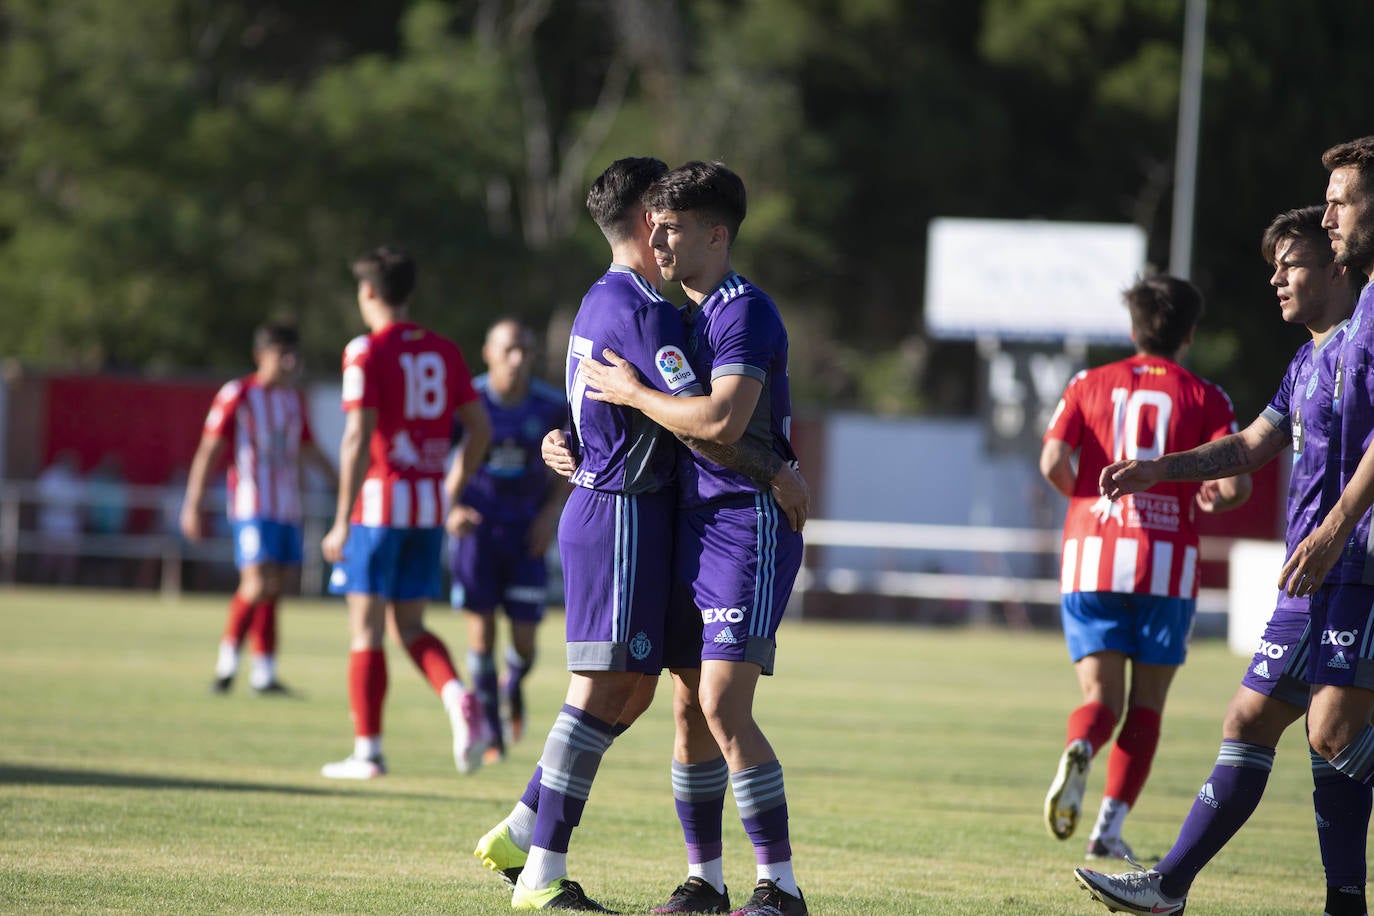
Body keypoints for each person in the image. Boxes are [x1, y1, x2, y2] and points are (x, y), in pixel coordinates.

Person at [1075, 206, 1371, 916]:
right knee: (1252, 721)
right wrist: (1161, 468)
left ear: (1337, 266)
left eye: (1291, 263)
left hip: (1356, 566)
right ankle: (1177, 888)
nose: (1276, 278)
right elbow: (1247, 446)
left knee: (1330, 733)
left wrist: (1335, 530)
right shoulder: (1306, 360)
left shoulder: (1365, 340)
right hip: (1310, 579)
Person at [577, 160, 811, 916]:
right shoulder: (671, 312)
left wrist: (637, 395)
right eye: (655, 223)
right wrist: (569, 441)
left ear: (717, 233)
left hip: (746, 524)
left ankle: (780, 886)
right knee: (686, 709)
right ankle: (705, 882)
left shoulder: (745, 312)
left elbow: (717, 425)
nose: (658, 236)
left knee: (721, 704)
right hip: (688, 521)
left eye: (673, 227)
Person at [1038, 274, 1251, 861]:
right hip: (1166, 563)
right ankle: (1107, 829)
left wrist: (1087, 502)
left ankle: (1082, 743)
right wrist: (1215, 496)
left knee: (1100, 700)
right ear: (1188, 334)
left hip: (1091, 559)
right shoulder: (1207, 397)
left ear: (1134, 328)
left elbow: (1053, 459)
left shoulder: (1088, 382)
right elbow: (1235, 481)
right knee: (1147, 706)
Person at [319, 245, 494, 779]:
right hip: (425, 511)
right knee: (411, 626)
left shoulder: (364, 351)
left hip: (378, 508)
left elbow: (357, 435)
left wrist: (340, 516)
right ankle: (459, 697)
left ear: (368, 292)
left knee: (366, 632)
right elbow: (480, 430)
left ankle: (368, 751)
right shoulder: (443, 350)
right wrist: (449, 487)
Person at [182, 322, 336, 695]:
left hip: (286, 507)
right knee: (255, 583)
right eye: (282, 353)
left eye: (294, 354)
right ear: (260, 355)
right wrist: (193, 502)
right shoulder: (238, 394)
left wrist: (341, 482)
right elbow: (210, 448)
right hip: (252, 504)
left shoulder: (291, 400)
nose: (290, 361)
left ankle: (264, 674)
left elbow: (308, 447)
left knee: (275, 587)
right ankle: (226, 667)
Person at [448, 317, 569, 764]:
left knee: (524, 643)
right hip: (479, 533)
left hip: (527, 536)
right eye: (508, 350)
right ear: (488, 353)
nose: (518, 359)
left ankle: (512, 686)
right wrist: (453, 507)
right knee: (480, 636)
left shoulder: (552, 406)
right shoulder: (469, 402)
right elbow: (444, 461)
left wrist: (548, 517)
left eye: (526, 351)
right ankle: (493, 731)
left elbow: (568, 468)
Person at [33, 449, 84, 585]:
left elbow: (81, 504)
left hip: (69, 527)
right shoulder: (50, 477)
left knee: (68, 563)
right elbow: (41, 499)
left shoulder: (76, 479)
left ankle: (64, 589)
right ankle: (42, 587)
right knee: (47, 561)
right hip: (50, 524)